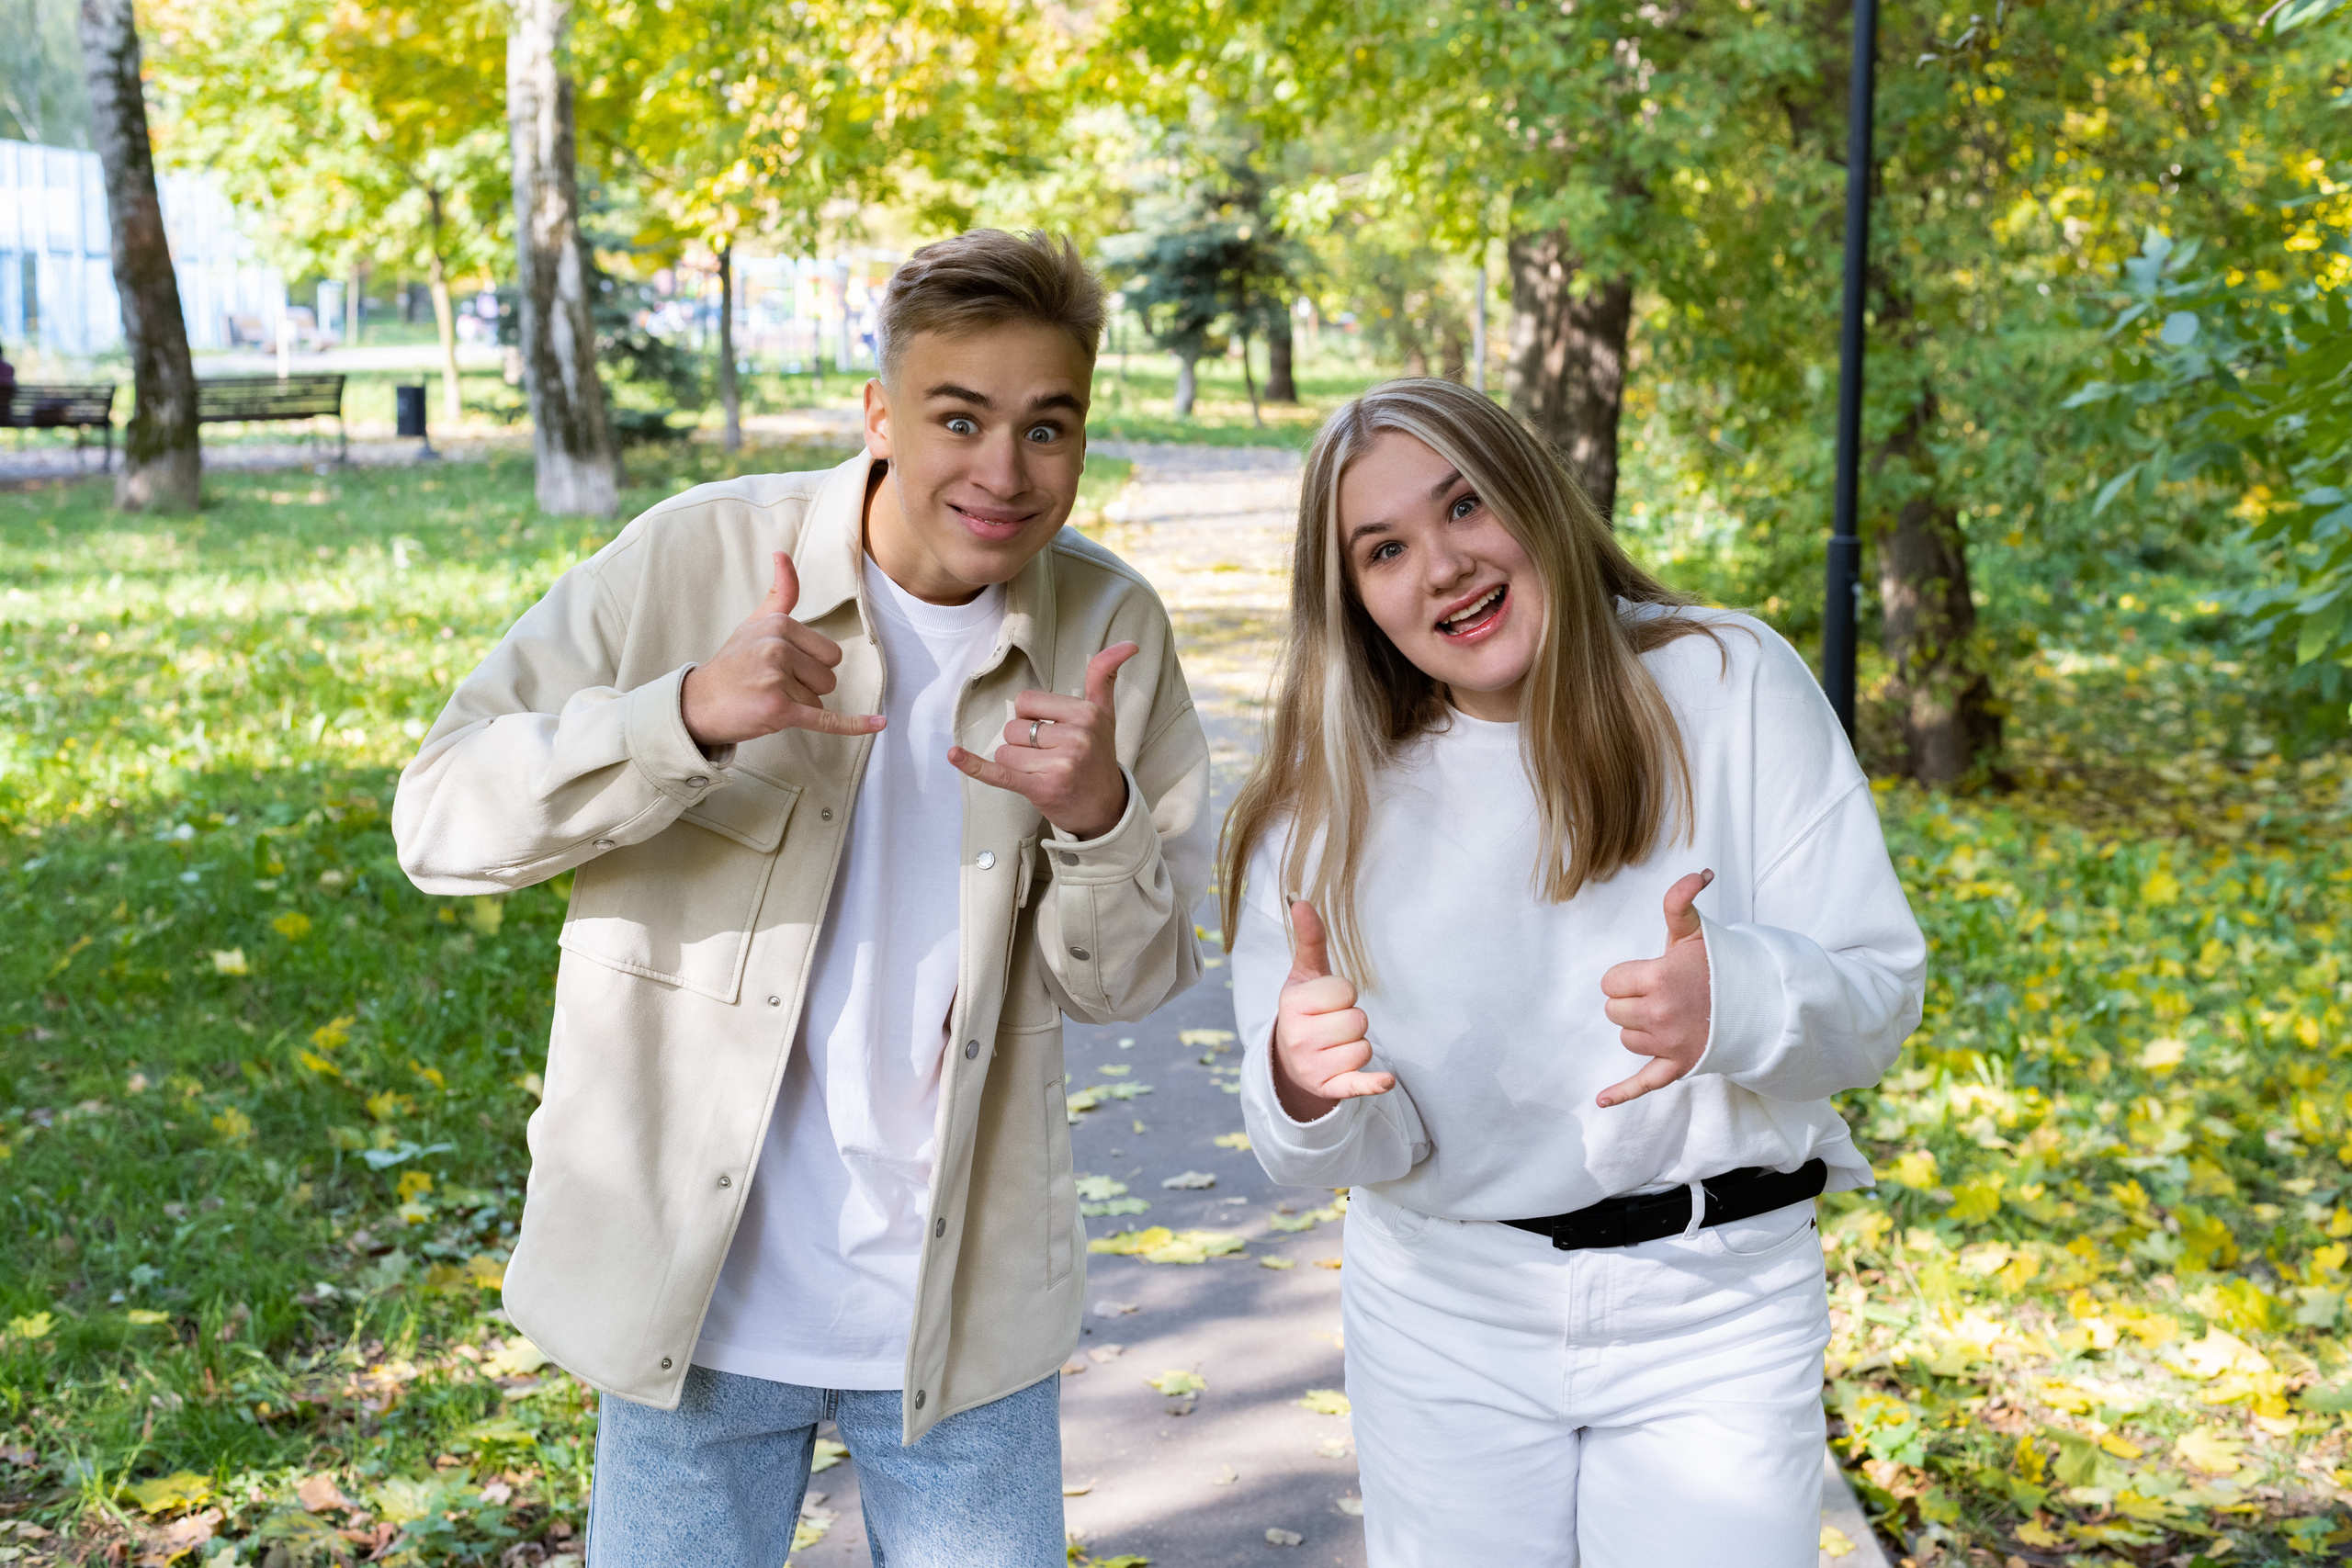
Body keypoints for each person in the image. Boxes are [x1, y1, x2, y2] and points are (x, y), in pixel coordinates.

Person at [393, 231, 1211, 1568]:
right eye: (960, 418)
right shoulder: (694, 559)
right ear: (879, 414)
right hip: (696, 1308)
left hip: (963, 1320)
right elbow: (440, 821)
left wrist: (1100, 819)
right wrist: (683, 718)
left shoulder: (1110, 627)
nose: (1004, 473)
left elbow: (1129, 979)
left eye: (1047, 427)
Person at [1223, 378, 1926, 1567]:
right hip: (1447, 1320)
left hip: (1717, 1307)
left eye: (1466, 506)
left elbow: (1876, 1005)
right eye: (1384, 548)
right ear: (1352, 600)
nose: (1442, 566)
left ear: (1538, 501)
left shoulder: (1726, 680)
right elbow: (1325, 1156)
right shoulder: (1321, 803)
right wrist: (1300, 1084)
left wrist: (1736, 1003)